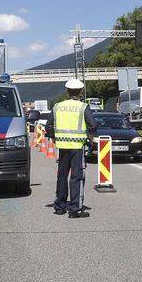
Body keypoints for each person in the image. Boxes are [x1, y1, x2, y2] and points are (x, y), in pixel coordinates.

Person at [46, 79, 96, 218]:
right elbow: (93, 125)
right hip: (77, 147)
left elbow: (48, 126)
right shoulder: (83, 107)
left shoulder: (57, 106)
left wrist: (55, 138)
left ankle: (59, 207)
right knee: (77, 177)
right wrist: (89, 139)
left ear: (67, 91)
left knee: (61, 176)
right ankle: (74, 209)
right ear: (80, 91)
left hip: (62, 147)